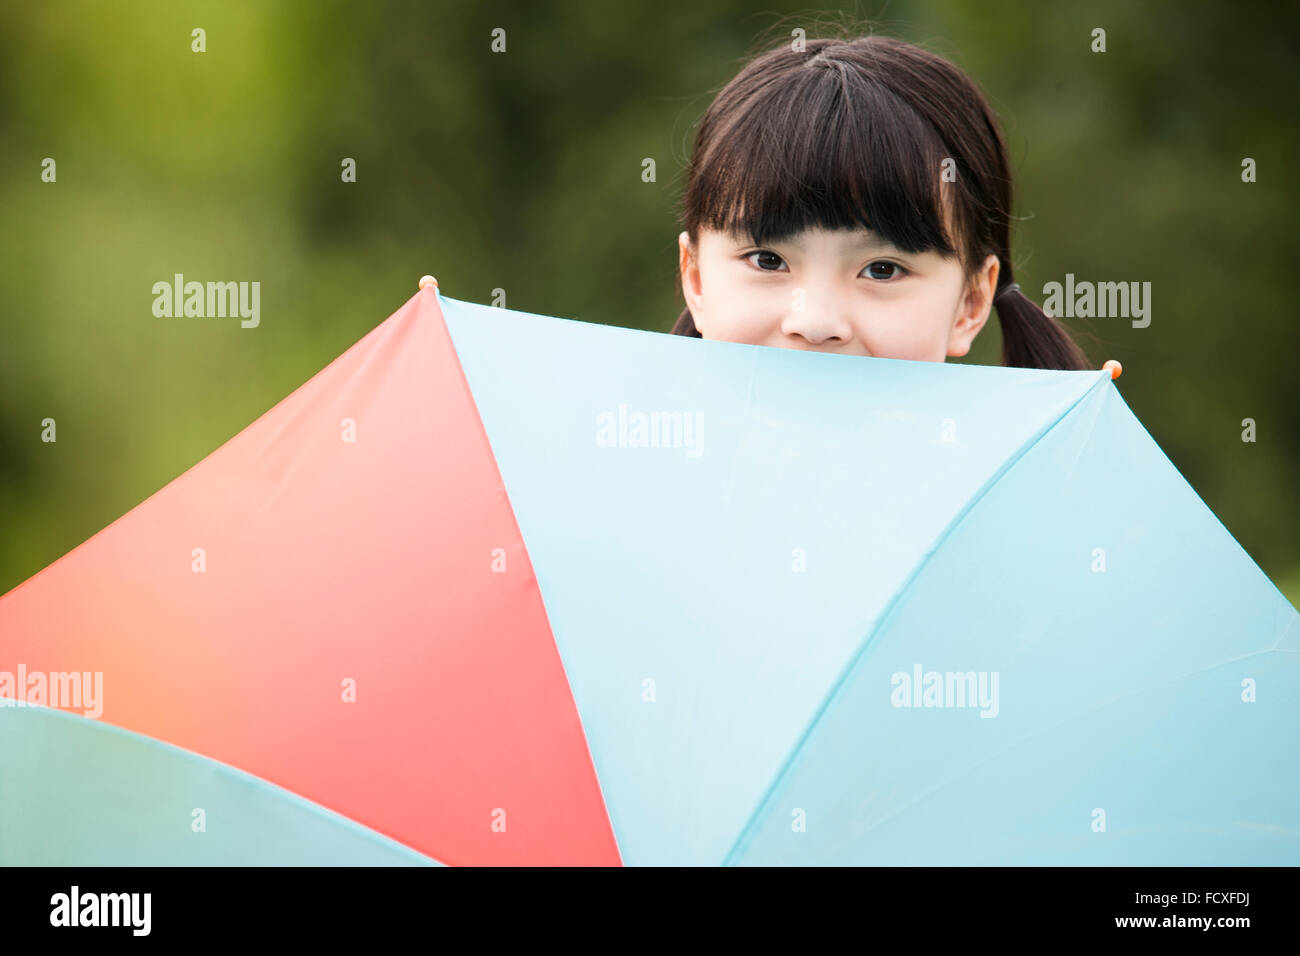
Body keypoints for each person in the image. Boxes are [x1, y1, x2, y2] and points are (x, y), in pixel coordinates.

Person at [672, 33, 1096, 371]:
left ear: (970, 304)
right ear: (697, 281)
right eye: (767, 260)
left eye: (882, 270)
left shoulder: (1041, 479)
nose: (815, 324)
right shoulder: (629, 457)